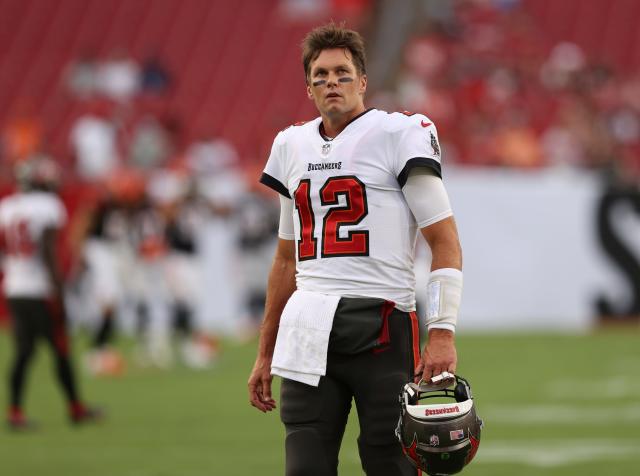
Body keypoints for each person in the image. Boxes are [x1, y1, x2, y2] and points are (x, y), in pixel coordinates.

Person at [247, 23, 463, 476]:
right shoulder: (290, 145)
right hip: (307, 325)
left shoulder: (398, 133)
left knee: (391, 463)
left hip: (380, 322)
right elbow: (287, 259)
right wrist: (265, 351)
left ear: (362, 81)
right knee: (304, 466)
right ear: (308, 86)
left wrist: (441, 331)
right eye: (321, 75)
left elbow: (444, 242)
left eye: (342, 73)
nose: (332, 82)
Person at [0, 157, 101, 430]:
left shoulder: (7, 206)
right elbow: (48, 252)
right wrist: (59, 290)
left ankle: (15, 411)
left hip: (14, 288)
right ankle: (76, 408)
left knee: (24, 351)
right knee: (60, 348)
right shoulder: (47, 206)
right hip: (40, 289)